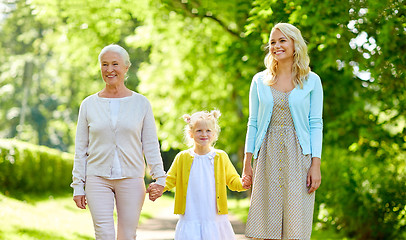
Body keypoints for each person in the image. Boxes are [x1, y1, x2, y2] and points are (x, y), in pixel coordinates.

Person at [71, 44, 166, 240]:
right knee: (103, 234)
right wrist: (78, 186)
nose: (109, 69)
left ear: (126, 67)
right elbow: (81, 149)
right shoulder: (88, 104)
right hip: (97, 178)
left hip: (132, 178)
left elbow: (150, 145)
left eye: (115, 64)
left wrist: (159, 178)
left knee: (127, 235)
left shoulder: (141, 103)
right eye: (104, 64)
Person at [242, 23, 323, 240]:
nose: (276, 46)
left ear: (295, 43)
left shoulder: (312, 81)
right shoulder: (259, 80)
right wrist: (247, 162)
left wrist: (316, 165)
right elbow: (253, 122)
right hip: (267, 156)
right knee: (266, 229)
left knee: (296, 229)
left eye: (282, 40)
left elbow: (316, 124)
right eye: (272, 42)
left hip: (300, 157)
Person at [147, 110, 250, 240]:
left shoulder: (221, 156)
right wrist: (158, 186)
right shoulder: (182, 157)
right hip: (191, 215)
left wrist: (242, 183)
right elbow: (170, 180)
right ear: (191, 133)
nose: (204, 134)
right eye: (199, 130)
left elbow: (232, 180)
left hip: (214, 216)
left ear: (214, 134)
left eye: (208, 131)